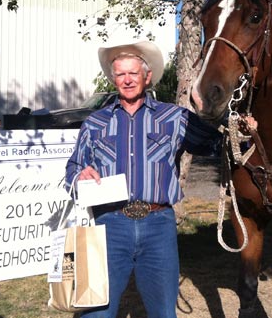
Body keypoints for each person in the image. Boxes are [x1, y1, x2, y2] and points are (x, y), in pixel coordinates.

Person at [65, 40, 221, 318]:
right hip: (109, 226)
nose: (127, 80)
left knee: (163, 313)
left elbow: (217, 144)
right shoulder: (95, 122)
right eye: (120, 74)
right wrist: (79, 175)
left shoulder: (175, 118)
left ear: (146, 76)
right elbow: (74, 166)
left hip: (158, 227)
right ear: (113, 79)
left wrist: (244, 130)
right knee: (96, 313)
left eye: (133, 73)